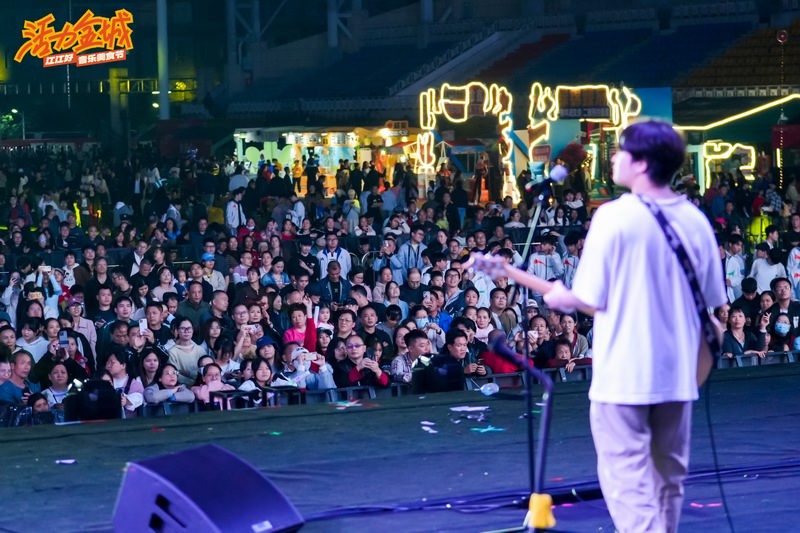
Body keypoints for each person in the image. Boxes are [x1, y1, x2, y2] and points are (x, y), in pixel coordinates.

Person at [469, 121, 726, 532]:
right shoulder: (695, 220)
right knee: (667, 479)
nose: (614, 158)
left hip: (624, 377)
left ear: (642, 163)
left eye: (622, 152)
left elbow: (586, 299)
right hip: (679, 376)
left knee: (627, 481)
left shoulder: (614, 217)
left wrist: (533, 283)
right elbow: (714, 305)